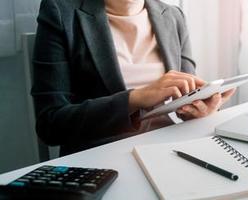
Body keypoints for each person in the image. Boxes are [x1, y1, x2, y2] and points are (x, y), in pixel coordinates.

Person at [31, 0, 234, 155]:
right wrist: (135, 98)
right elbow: (50, 125)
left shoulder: (173, 16)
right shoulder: (59, 12)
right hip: (100, 159)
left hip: (168, 150)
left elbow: (185, 99)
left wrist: (199, 108)